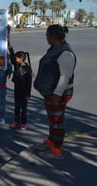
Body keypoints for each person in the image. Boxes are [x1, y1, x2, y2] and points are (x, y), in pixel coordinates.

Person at [34, 24, 76, 160]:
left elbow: (65, 76)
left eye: (47, 35)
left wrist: (57, 95)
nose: (46, 37)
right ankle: (51, 142)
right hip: (50, 94)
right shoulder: (55, 48)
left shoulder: (65, 53)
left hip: (58, 95)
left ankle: (56, 150)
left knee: (57, 121)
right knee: (52, 120)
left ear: (53, 36)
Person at [8, 26, 33, 130]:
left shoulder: (27, 69)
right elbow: (11, 50)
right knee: (17, 107)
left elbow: (29, 82)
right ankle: (16, 121)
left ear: (22, 58)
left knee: (24, 108)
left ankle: (24, 123)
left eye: (17, 58)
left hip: (24, 91)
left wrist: (28, 94)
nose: (15, 59)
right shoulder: (16, 65)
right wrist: (8, 34)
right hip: (17, 89)